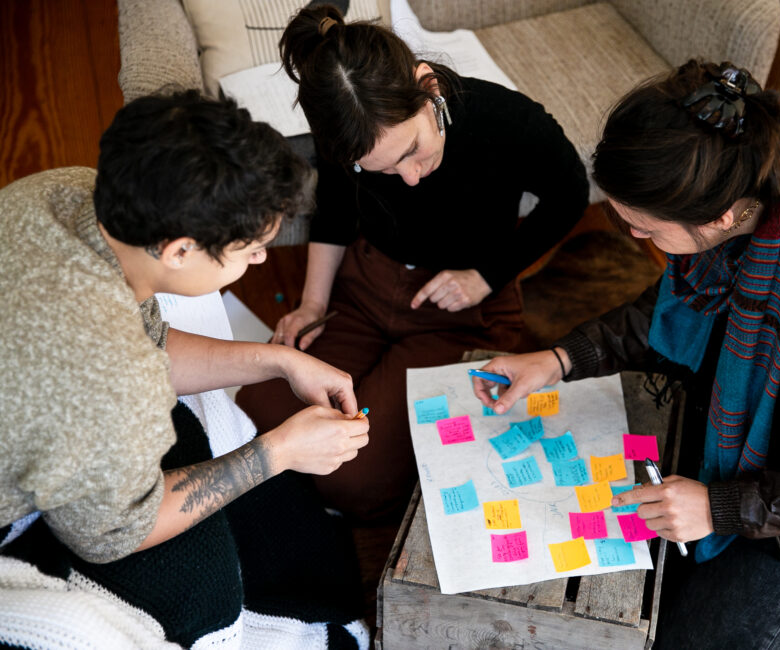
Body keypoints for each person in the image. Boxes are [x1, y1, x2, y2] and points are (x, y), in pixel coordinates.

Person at [470, 60, 780, 648]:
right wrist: (560, 358)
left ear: (722, 218)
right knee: (599, 567)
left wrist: (724, 506)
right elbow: (678, 297)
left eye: (646, 231)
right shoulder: (745, 162)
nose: (634, 240)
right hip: (742, 412)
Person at [0, 90, 371, 648]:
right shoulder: (108, 371)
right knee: (208, 592)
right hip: (55, 513)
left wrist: (279, 361)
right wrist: (276, 453)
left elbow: (148, 342)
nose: (262, 260)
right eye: (251, 249)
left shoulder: (65, 189)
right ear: (178, 251)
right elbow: (117, 533)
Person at [235, 4, 589, 523]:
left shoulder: (507, 120)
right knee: (254, 415)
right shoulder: (347, 136)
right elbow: (334, 210)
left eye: (415, 150)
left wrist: (486, 276)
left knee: (353, 480)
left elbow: (571, 195)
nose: (411, 178)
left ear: (429, 90)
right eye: (383, 167)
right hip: (364, 287)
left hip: (461, 307)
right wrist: (313, 303)